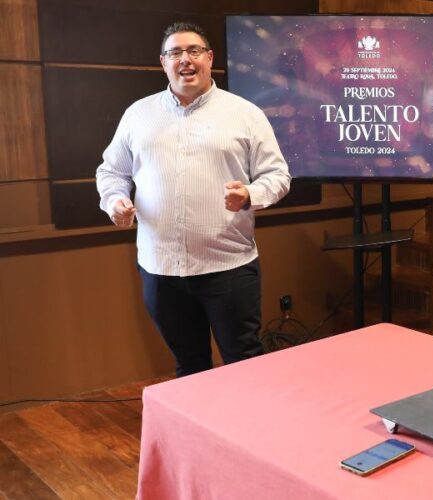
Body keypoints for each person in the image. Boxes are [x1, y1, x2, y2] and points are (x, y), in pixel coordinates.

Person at [96, 22, 291, 376]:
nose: (185, 59)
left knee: (243, 362)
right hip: (161, 268)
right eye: (175, 53)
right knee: (190, 366)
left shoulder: (245, 114)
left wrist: (251, 194)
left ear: (209, 58)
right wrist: (115, 201)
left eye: (194, 51)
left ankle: (246, 432)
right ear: (163, 62)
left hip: (228, 266)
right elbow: (111, 172)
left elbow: (278, 176)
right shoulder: (138, 115)